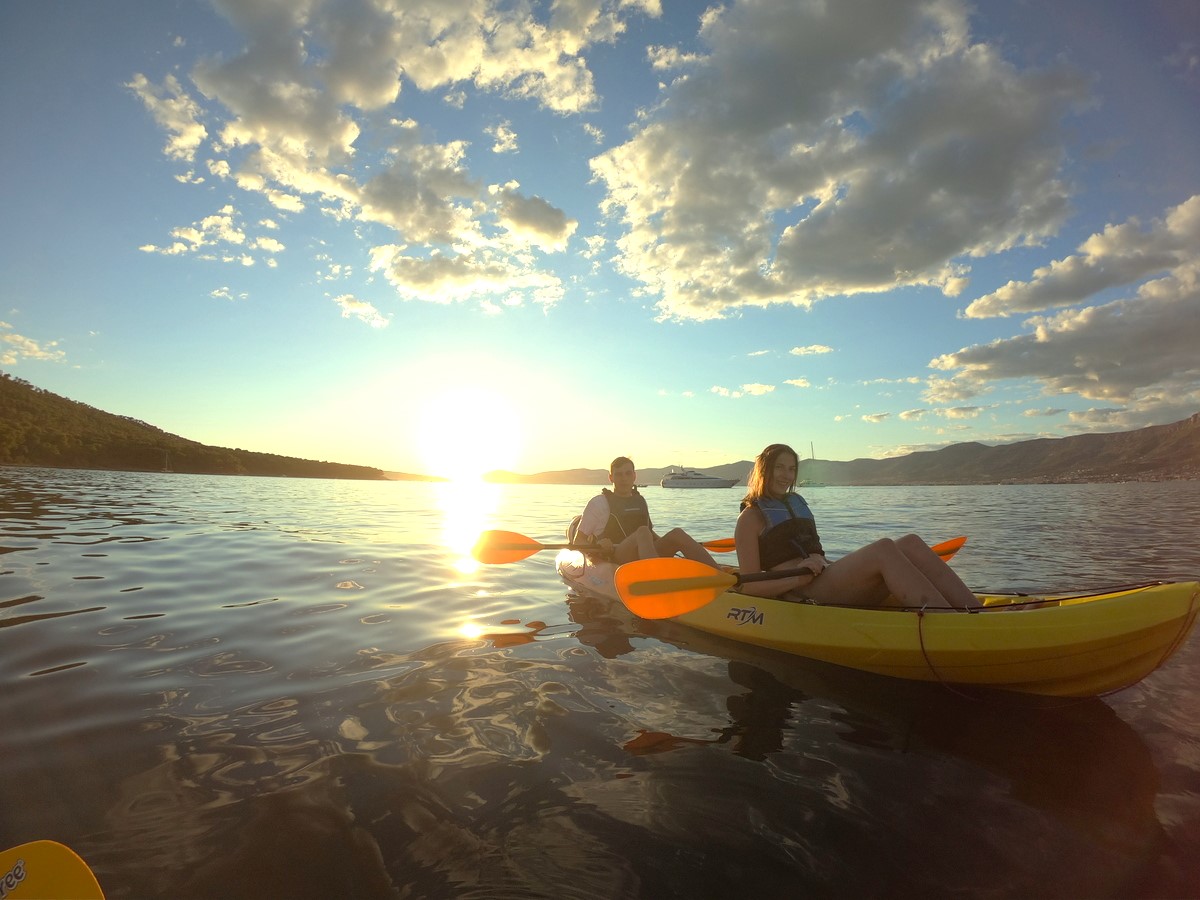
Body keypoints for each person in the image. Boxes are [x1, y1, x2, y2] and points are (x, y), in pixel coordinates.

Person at [734, 443, 979, 610]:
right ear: (765, 469)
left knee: (911, 543)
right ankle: (947, 622)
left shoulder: (796, 504)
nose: (786, 475)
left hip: (826, 577)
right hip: (802, 590)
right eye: (779, 467)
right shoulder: (750, 518)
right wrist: (798, 579)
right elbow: (749, 586)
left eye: (791, 469)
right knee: (883, 548)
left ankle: (976, 612)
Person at [573, 457, 719, 566]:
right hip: (617, 555)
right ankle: (658, 579)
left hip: (645, 554)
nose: (623, 479)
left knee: (677, 533)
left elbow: (651, 534)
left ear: (634, 476)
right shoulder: (599, 503)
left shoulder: (640, 500)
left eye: (628, 473)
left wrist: (670, 542)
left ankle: (720, 575)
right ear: (611, 477)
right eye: (618, 474)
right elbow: (578, 540)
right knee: (642, 532)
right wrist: (597, 546)